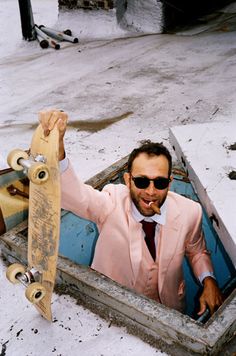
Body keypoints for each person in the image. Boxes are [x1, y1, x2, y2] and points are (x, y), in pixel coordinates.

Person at [39, 109, 223, 316]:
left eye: (160, 182)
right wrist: (58, 151)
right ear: (127, 180)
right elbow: (76, 196)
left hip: (170, 307)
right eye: (141, 181)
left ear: (170, 183)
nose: (151, 192)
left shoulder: (191, 211)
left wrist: (209, 281)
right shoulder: (111, 203)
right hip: (114, 312)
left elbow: (197, 251)